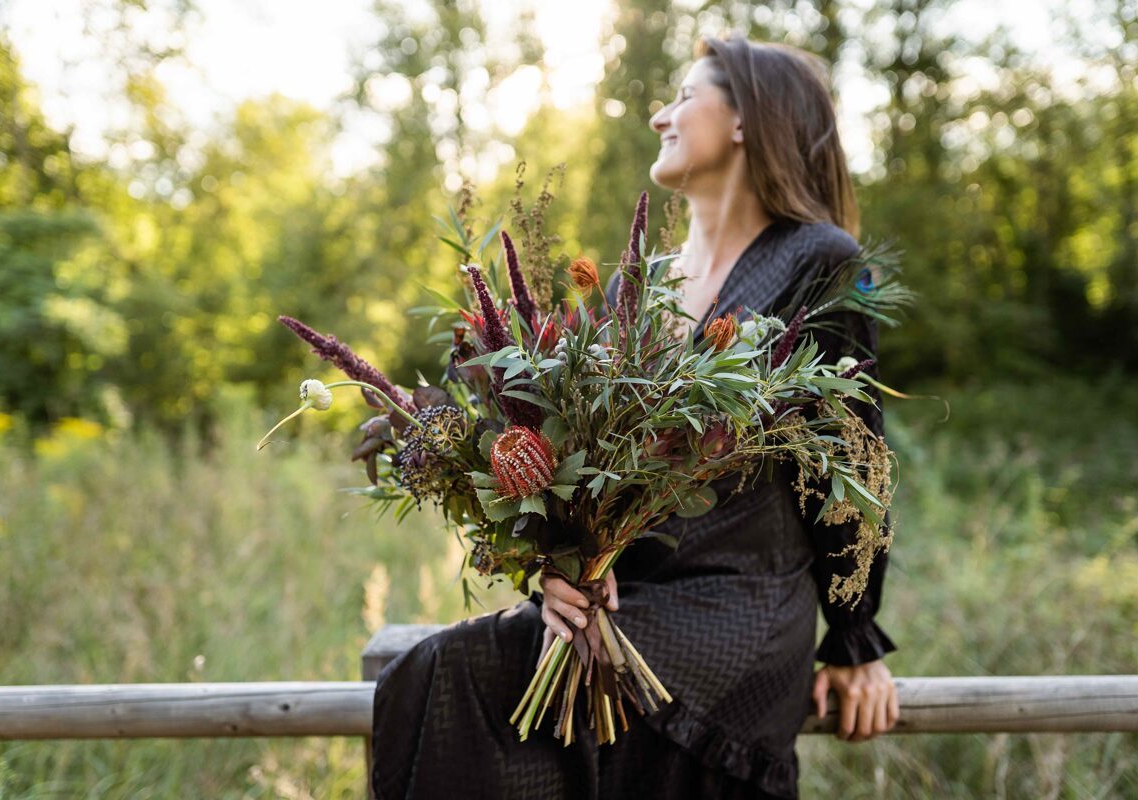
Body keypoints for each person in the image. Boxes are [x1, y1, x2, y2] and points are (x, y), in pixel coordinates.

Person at [370, 34, 898, 800]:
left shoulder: (816, 260)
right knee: (440, 671)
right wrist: (560, 568)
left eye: (684, 95)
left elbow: (850, 464)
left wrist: (854, 640)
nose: (660, 116)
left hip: (738, 604)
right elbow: (587, 462)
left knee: (470, 671)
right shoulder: (640, 287)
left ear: (747, 116)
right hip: (632, 597)